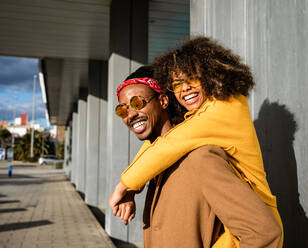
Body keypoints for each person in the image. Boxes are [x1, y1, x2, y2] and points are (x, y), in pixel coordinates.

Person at [109, 36, 284, 247]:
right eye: (177, 84)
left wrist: (125, 185)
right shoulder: (194, 124)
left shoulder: (226, 109)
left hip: (254, 213)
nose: (184, 89)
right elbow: (164, 144)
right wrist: (132, 187)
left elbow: (172, 143)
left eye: (191, 79)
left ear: (210, 75)